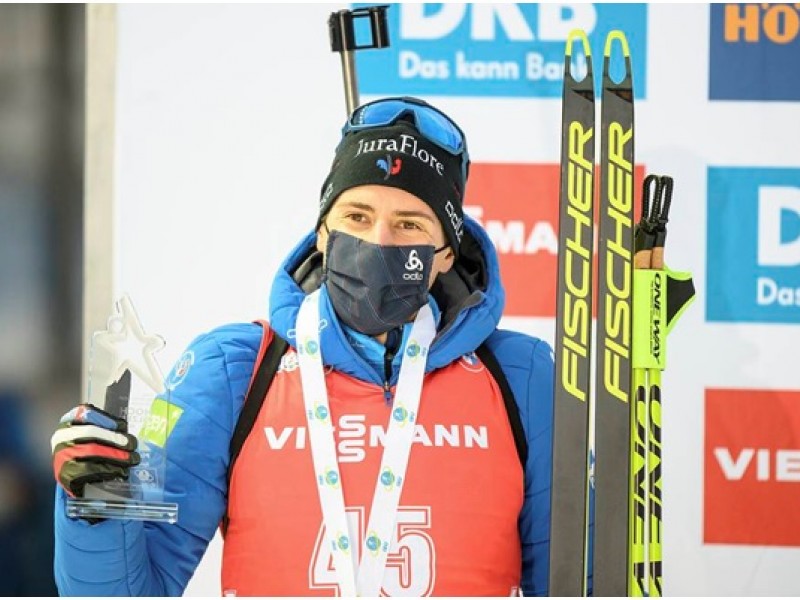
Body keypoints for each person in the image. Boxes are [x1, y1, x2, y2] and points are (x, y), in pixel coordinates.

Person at [51, 96, 555, 596]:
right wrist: (95, 500)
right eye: (357, 216)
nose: (379, 242)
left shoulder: (521, 376)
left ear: (445, 253)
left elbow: (575, 578)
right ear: (322, 233)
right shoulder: (232, 369)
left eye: (410, 224)